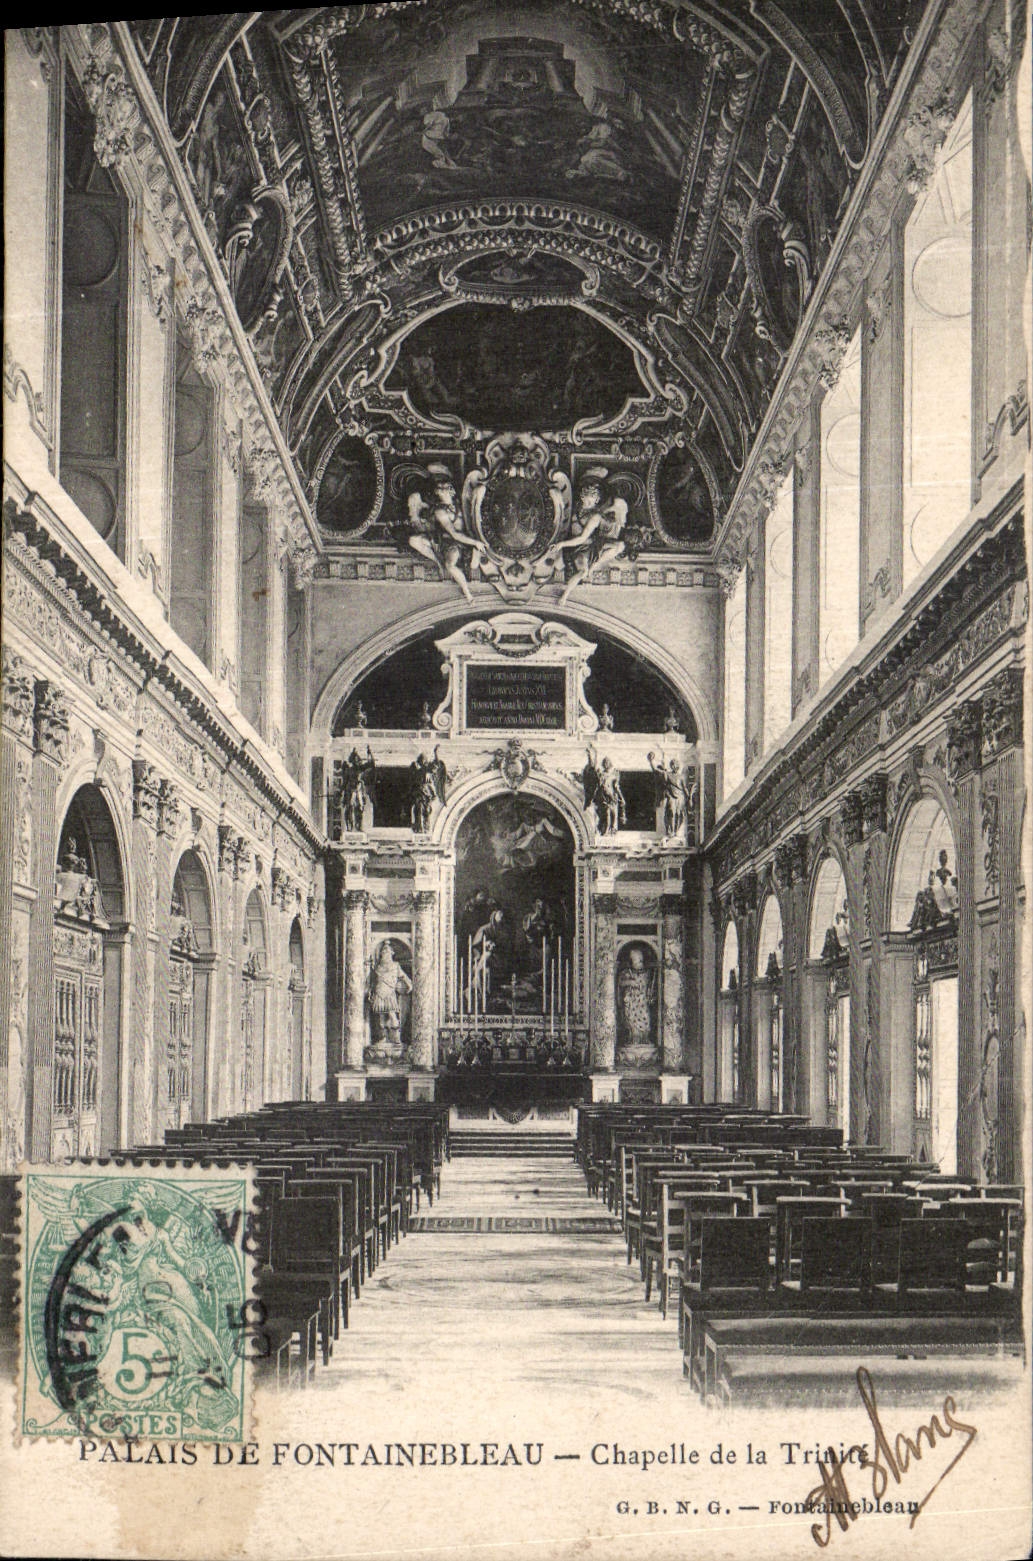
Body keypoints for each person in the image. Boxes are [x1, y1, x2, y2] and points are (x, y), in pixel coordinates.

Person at [368, 942, 412, 1057]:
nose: (384, 954)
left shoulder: (395, 965)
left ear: (391, 953)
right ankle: (383, 1038)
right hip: (379, 993)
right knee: (381, 1018)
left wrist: (409, 985)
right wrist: (370, 992)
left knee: (392, 1016)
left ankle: (396, 1038)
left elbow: (403, 976)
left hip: (389, 993)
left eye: (386, 952)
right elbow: (372, 982)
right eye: (383, 952)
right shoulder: (378, 967)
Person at [617, 947, 658, 1064]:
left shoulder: (647, 973)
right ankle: (633, 1037)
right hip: (631, 1003)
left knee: (645, 1019)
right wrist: (631, 982)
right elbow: (621, 982)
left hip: (642, 1002)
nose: (639, 963)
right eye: (636, 960)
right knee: (631, 1020)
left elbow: (650, 986)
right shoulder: (626, 973)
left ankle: (644, 1038)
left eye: (640, 960)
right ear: (631, 961)